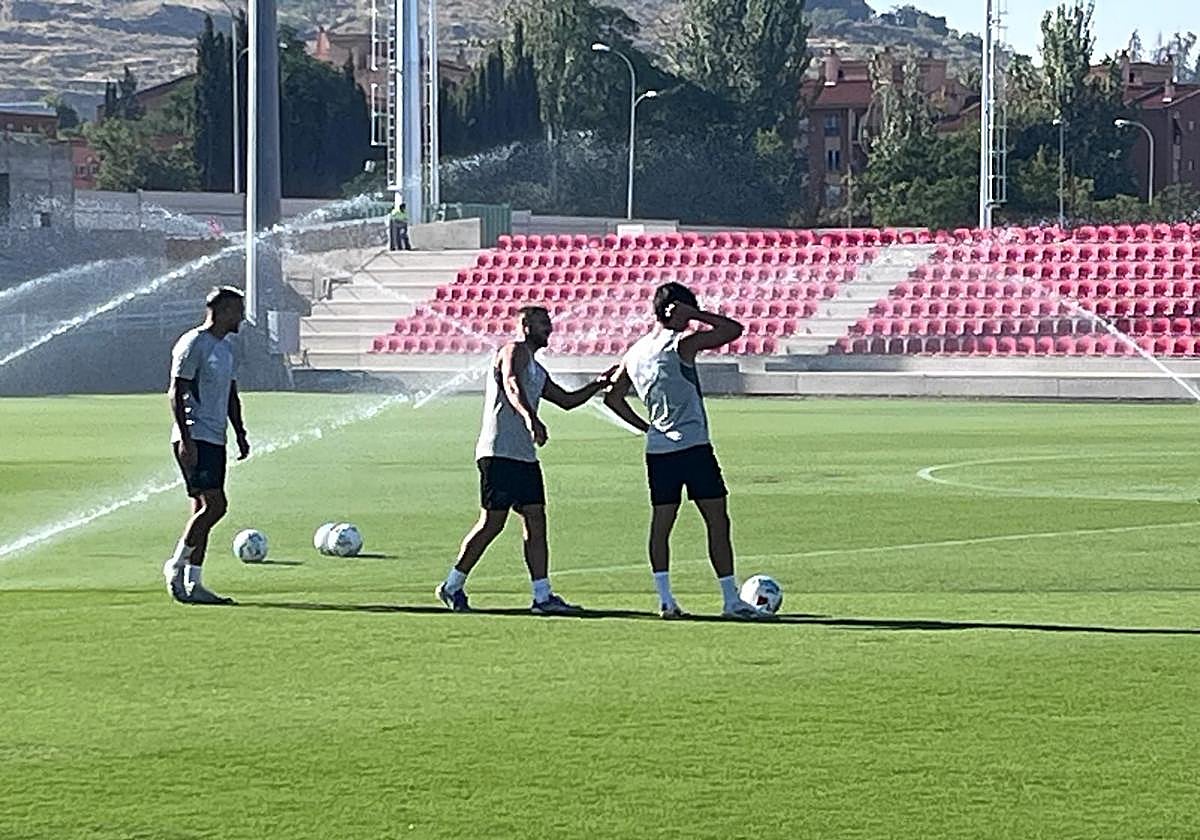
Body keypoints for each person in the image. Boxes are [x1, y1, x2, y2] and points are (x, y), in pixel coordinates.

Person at [436, 306, 614, 614]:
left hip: (523, 455)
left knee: (535, 519)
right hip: (499, 450)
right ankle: (452, 586)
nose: (550, 328)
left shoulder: (539, 370)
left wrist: (598, 384)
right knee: (492, 522)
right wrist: (531, 418)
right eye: (543, 323)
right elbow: (512, 384)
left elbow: (567, 401)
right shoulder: (513, 350)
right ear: (525, 325)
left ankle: (542, 596)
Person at [603, 282, 766, 620]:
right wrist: (696, 315)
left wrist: (645, 427)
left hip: (658, 450)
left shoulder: (634, 352)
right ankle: (730, 599)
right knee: (716, 520)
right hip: (692, 446)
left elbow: (612, 397)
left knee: (662, 522)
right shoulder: (681, 343)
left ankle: (665, 599)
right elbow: (733, 330)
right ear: (674, 310)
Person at [162, 286, 250, 605]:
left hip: (215, 437)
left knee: (201, 510)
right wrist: (186, 439)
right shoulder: (193, 343)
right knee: (216, 505)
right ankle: (176, 564)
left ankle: (194, 582)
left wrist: (239, 432)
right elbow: (177, 390)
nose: (241, 317)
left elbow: (230, 393)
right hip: (196, 436)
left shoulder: (226, 349)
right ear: (223, 311)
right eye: (238, 310)